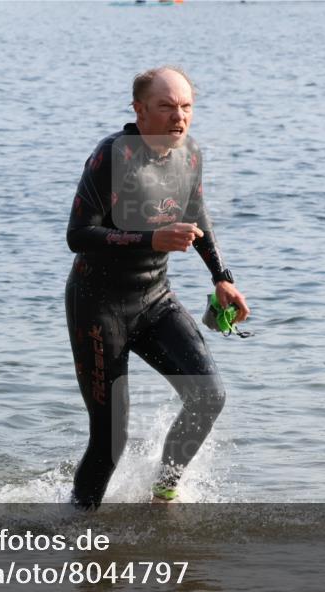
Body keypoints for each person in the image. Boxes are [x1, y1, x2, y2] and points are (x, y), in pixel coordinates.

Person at [64, 66, 250, 510]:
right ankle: (75, 524)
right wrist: (151, 239)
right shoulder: (113, 157)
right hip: (99, 306)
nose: (178, 116)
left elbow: (198, 219)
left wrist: (222, 277)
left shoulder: (189, 155)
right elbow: (78, 235)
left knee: (208, 396)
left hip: (154, 298)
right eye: (166, 106)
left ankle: (164, 491)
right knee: (111, 439)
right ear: (140, 110)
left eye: (186, 106)